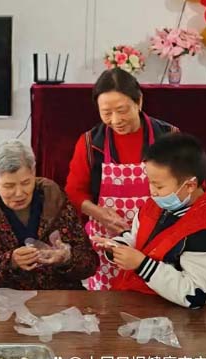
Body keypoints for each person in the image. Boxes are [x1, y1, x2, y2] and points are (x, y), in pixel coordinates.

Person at [65, 67, 179, 290]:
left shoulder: (170, 138)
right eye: (106, 112)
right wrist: (100, 214)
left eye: (122, 110)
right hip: (108, 245)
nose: (115, 120)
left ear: (139, 102)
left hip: (157, 240)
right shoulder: (90, 143)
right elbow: (73, 192)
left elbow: (190, 188)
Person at [94, 133, 206, 308]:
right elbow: (136, 236)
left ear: (189, 185)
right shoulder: (156, 204)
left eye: (159, 186)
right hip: (131, 299)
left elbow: (195, 294)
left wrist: (141, 264)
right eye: (150, 182)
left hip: (169, 316)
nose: (152, 191)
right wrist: (117, 246)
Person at [0, 140, 99, 290]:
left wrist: (66, 258)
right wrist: (10, 262)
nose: (19, 193)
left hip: (60, 301)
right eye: (9, 186)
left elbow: (91, 264)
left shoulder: (58, 203)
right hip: (5, 304)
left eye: (25, 183)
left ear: (33, 172)